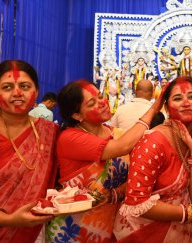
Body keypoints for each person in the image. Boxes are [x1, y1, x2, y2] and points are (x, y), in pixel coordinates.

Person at [46, 79, 164, 242]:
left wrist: (116, 193)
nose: (102, 103)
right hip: (72, 232)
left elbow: (133, 176)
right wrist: (154, 108)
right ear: (77, 115)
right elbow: (122, 147)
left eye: (101, 96)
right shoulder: (70, 138)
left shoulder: (116, 133)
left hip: (107, 228)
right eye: (92, 102)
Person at [114, 76, 192, 242]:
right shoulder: (152, 142)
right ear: (167, 108)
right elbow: (136, 203)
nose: (186, 103)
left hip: (181, 231)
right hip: (144, 233)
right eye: (177, 98)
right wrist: (188, 213)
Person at [0, 60, 58, 242]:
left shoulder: (51, 132)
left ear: (37, 92)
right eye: (7, 87)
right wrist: (8, 219)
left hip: (39, 231)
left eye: (25, 86)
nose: (17, 93)